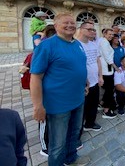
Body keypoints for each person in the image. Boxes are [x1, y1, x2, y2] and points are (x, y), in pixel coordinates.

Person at [30, 13, 90, 166]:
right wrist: (37, 106)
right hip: (58, 105)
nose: (70, 25)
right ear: (55, 26)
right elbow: (35, 77)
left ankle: (70, 159)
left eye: (72, 22)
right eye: (65, 23)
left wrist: (85, 82)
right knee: (58, 144)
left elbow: (79, 65)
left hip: (78, 100)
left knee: (74, 134)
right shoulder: (46, 46)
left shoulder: (77, 44)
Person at [77, 22, 104, 132]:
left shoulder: (93, 44)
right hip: (83, 84)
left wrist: (100, 76)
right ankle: (78, 131)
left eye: (94, 30)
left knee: (93, 104)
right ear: (81, 30)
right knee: (82, 108)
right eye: (90, 29)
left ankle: (90, 123)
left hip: (95, 81)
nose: (93, 32)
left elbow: (98, 60)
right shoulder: (76, 45)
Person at [99, 29, 118, 119]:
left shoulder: (104, 41)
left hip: (106, 69)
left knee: (108, 90)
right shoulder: (104, 42)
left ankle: (102, 104)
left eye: (112, 34)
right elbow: (108, 57)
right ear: (104, 34)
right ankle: (106, 111)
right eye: (109, 34)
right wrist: (116, 67)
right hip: (106, 70)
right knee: (109, 90)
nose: (111, 36)